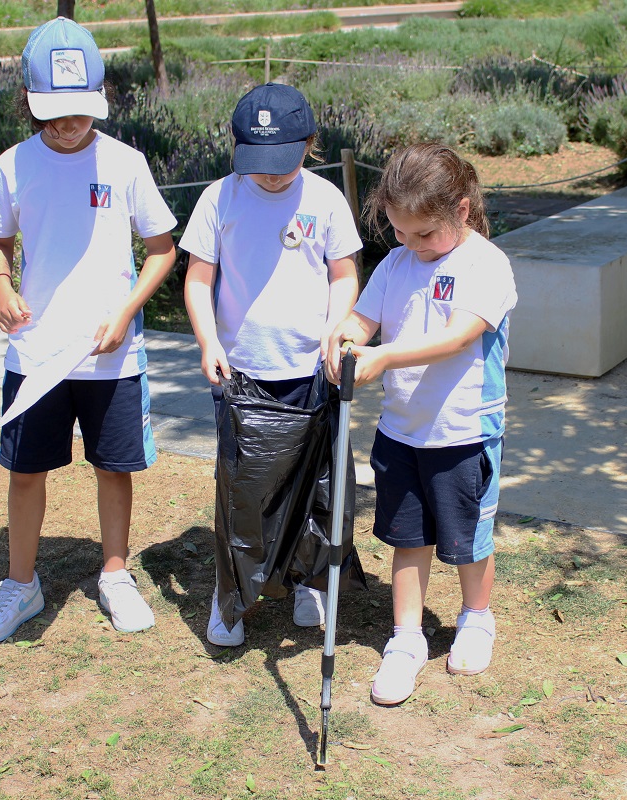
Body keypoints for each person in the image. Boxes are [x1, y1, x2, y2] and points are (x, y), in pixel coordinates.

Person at [0, 17, 178, 644]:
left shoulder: (125, 162)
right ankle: (20, 584)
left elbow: (162, 249)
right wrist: (3, 287)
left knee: (114, 467)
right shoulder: (14, 164)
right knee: (25, 469)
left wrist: (127, 310)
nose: (68, 126)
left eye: (80, 113)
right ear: (32, 106)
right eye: (55, 115)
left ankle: (115, 575)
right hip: (36, 353)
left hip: (112, 354)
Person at [325, 142, 517, 705]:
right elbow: (364, 317)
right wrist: (349, 337)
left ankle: (476, 618)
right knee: (408, 539)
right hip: (402, 430)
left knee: (467, 537)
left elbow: (458, 335)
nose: (411, 245)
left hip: (463, 431)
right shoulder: (397, 262)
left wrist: (384, 357)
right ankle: (406, 639)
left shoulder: (485, 264)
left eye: (424, 234)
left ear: (461, 210)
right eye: (399, 232)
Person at [179, 83, 363, 647]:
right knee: (243, 491)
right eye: (260, 165)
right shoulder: (220, 199)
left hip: (312, 372)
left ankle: (306, 579)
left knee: (311, 486)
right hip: (242, 376)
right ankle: (231, 594)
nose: (272, 176)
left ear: (310, 144)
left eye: (284, 163)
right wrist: (209, 341)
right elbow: (198, 280)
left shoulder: (325, 200)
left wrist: (338, 328)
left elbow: (344, 273)